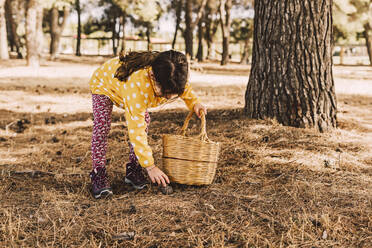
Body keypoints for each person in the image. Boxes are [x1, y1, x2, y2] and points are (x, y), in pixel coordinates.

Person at [88, 50, 207, 199]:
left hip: (133, 91)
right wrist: (150, 166)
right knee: (102, 126)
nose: (170, 96)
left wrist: (194, 102)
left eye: (174, 93)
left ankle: (134, 169)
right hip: (104, 85)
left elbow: (185, 89)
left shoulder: (172, 73)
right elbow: (136, 130)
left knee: (145, 121)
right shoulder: (138, 85)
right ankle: (98, 172)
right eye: (167, 92)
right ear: (153, 77)